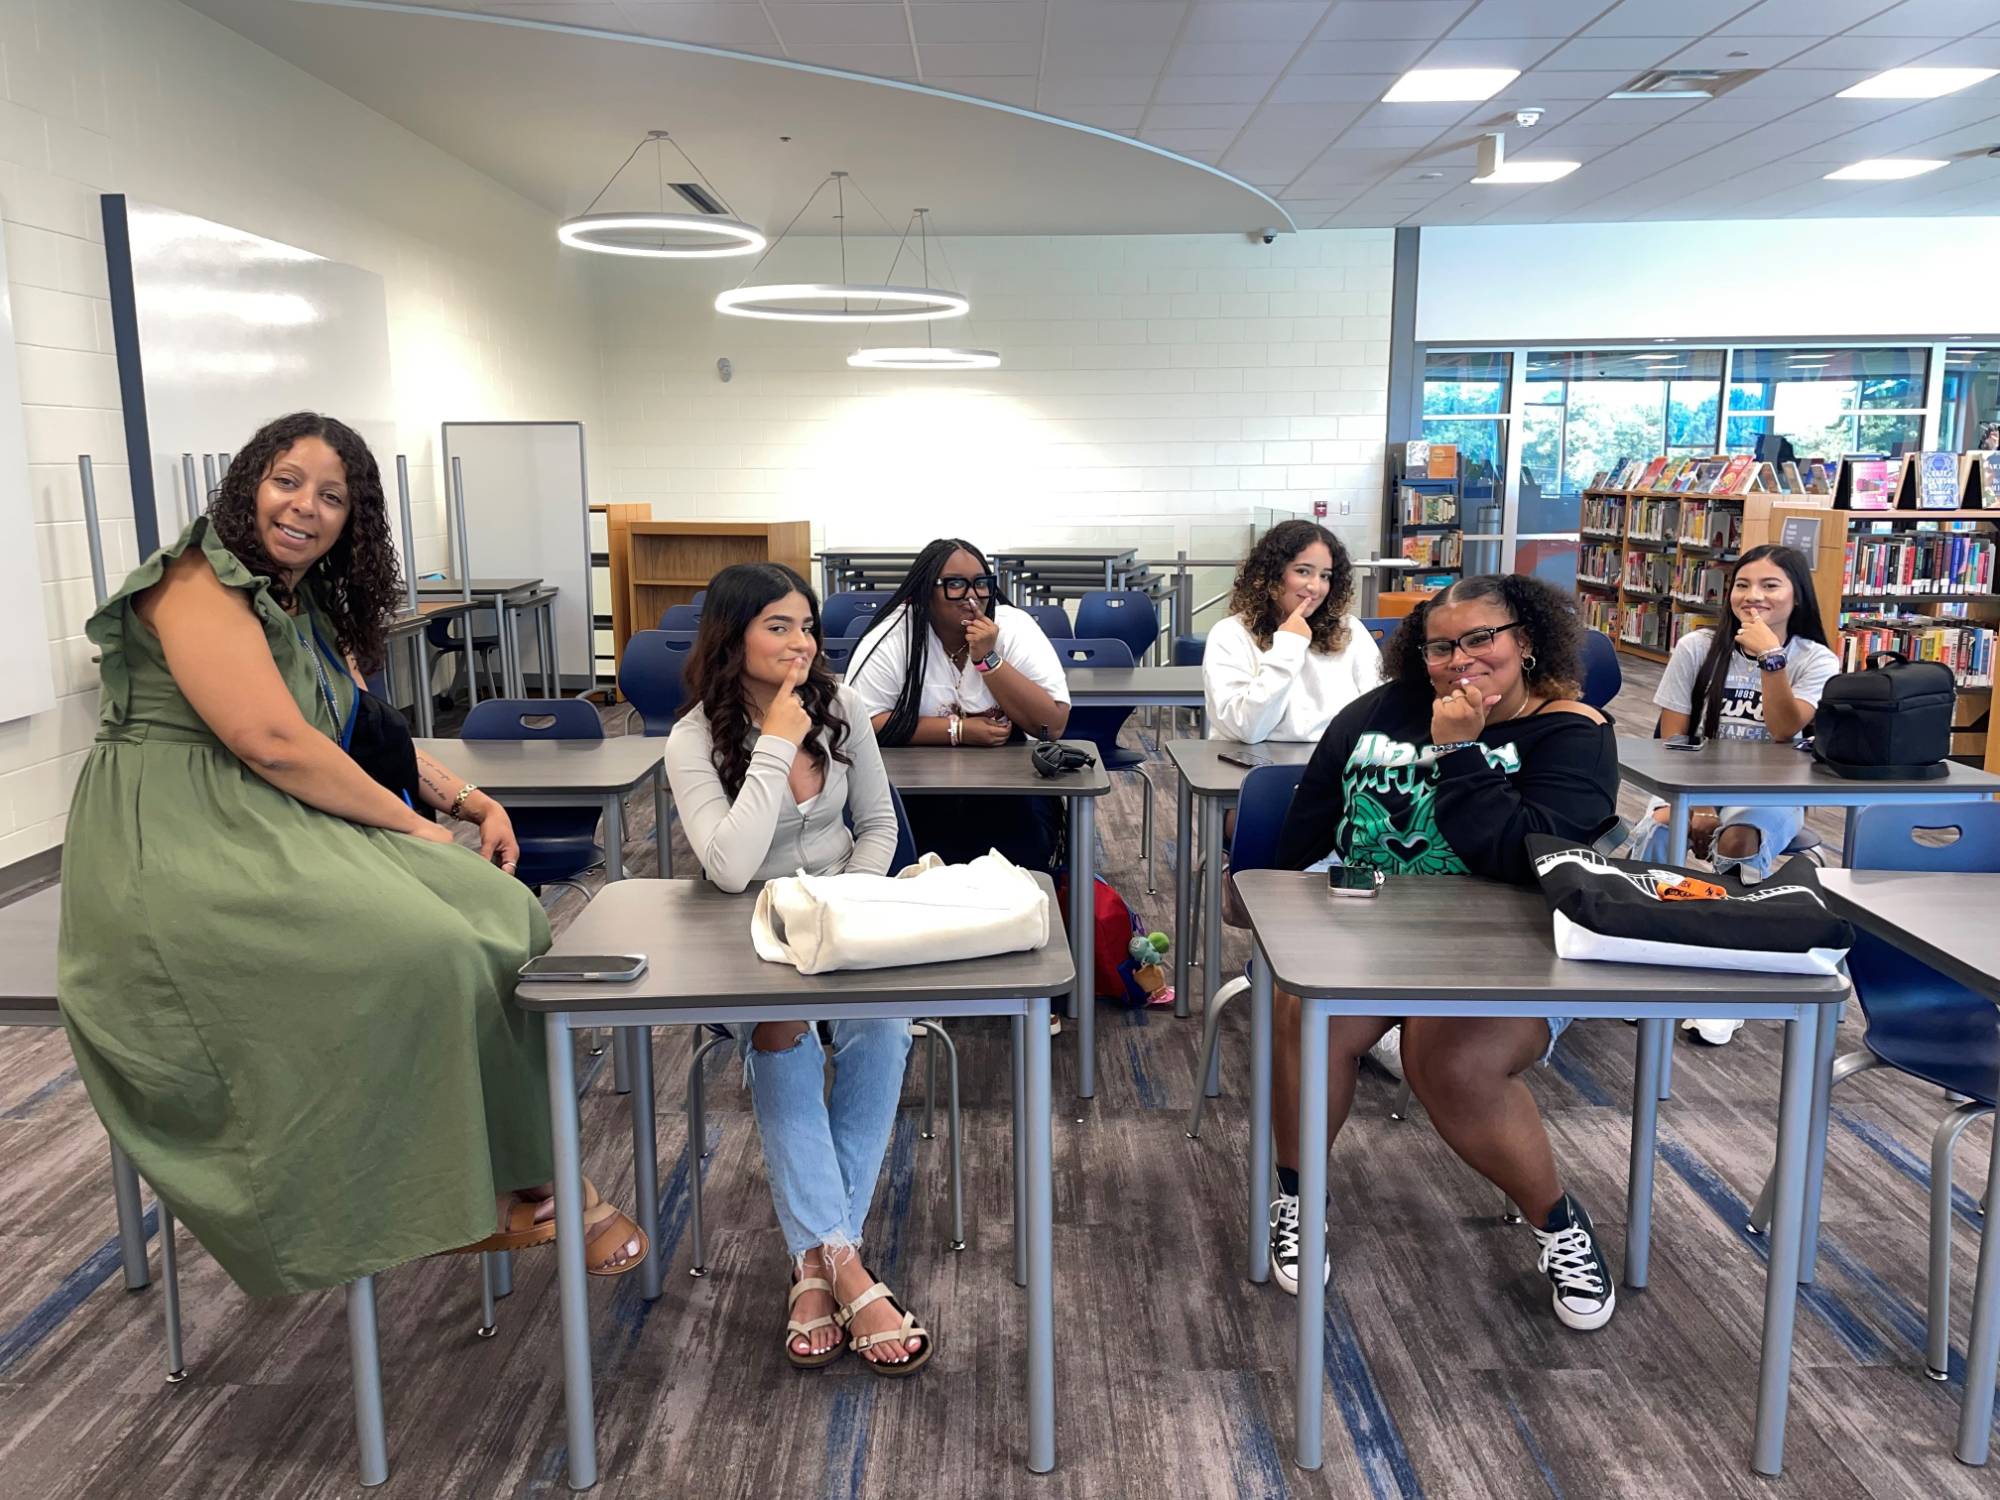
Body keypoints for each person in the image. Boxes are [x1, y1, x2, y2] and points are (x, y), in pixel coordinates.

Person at [57, 411, 644, 1299]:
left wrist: (467, 799)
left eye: (332, 496)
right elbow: (273, 742)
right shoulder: (193, 579)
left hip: (271, 818)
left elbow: (371, 737)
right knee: (431, 947)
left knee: (506, 909)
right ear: (248, 481)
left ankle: (526, 1166)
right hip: (176, 833)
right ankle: (433, 1192)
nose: (304, 507)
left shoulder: (305, 604)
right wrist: (415, 831)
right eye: (287, 480)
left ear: (352, 520)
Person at [1271, 574, 1621, 1333]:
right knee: (1307, 1014)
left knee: (1450, 1060)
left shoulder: (1573, 733)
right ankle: (1298, 1197)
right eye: (1439, 645)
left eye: (1480, 638)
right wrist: (1269, 896)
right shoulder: (1380, 713)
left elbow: (1523, 857)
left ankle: (1558, 1223)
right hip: (1370, 927)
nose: (1459, 659)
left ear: (1524, 642)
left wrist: (1461, 751)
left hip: (1510, 948)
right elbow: (1315, 813)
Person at [665, 562, 932, 1374]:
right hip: (751, 929)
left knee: (885, 1026)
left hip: (848, 921)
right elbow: (728, 866)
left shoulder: (845, 707)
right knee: (781, 1031)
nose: (799, 643)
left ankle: (818, 1267)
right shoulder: (689, 741)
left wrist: (844, 905)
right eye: (777, 626)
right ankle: (847, 1266)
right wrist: (775, 744)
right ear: (733, 636)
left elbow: (880, 825)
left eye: (806, 626)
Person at [1639, 544, 1838, 1045]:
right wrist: (1696, 804)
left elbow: (1783, 730)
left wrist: (1771, 659)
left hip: (1772, 791)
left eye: (1771, 586)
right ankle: (1648, 957)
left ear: (1797, 597)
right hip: (1693, 783)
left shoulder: (1815, 659)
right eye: (1743, 585)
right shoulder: (1697, 647)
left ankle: (1730, 978)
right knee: (1662, 832)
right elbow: (1672, 739)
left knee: (1740, 838)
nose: (1754, 596)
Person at [846, 538, 1071, 871]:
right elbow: (860, 723)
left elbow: (1051, 724)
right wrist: (958, 730)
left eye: (981, 584)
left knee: (1023, 860)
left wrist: (988, 660)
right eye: (954, 585)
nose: (971, 597)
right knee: (920, 864)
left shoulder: (1014, 627)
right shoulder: (895, 635)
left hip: (1008, 791)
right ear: (925, 592)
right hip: (915, 791)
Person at [1204, 518, 1381, 744]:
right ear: (1272, 575)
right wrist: (1289, 645)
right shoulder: (1230, 634)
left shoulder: (1349, 629)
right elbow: (1247, 729)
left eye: (1325, 576)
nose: (1315, 587)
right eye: (1303, 571)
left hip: (1333, 765)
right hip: (1254, 770)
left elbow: (1378, 712)